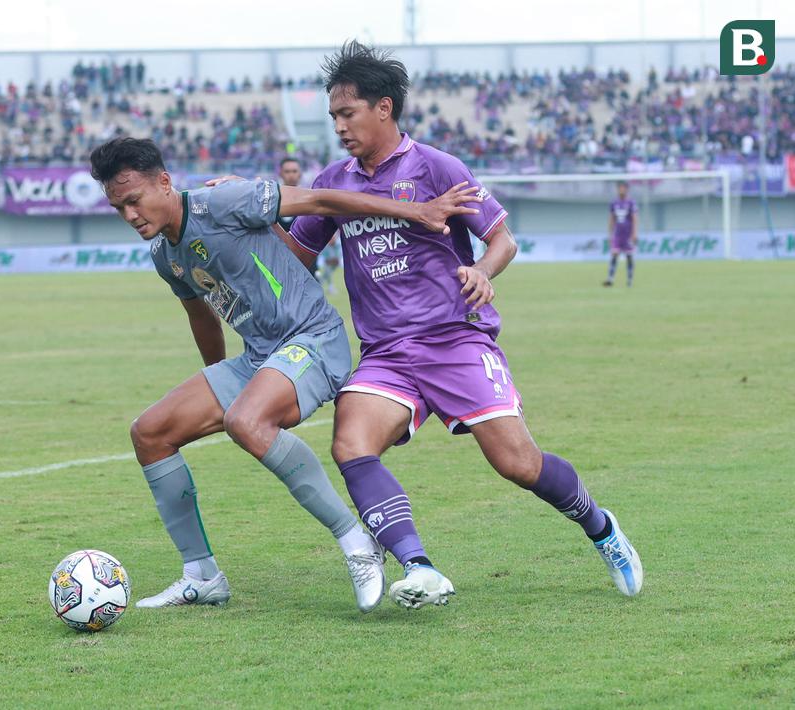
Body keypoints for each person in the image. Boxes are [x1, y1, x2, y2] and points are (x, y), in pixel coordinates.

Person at [285, 41, 642, 607]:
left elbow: (502, 237)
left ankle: (601, 527)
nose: (339, 126)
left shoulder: (437, 167)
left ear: (383, 108)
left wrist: (481, 269)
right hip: (385, 352)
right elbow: (293, 254)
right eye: (333, 116)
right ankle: (421, 569)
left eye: (346, 113)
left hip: (453, 339)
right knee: (352, 444)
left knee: (518, 465)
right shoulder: (336, 181)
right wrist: (237, 217)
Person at [90, 136, 480, 611]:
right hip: (260, 357)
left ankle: (357, 542)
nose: (130, 215)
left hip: (314, 340)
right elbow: (201, 317)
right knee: (149, 433)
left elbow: (320, 200)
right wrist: (218, 381)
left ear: (164, 182)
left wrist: (417, 211)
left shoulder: (224, 201)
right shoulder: (165, 256)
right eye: (118, 208)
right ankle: (202, 574)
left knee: (246, 421)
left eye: (134, 200)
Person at [603, 181, 638, 287]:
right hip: (617, 234)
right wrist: (610, 234)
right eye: (620, 188)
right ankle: (610, 279)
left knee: (629, 256)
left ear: (627, 189)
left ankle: (630, 280)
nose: (621, 190)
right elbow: (611, 219)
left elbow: (635, 219)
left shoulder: (631, 203)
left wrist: (634, 234)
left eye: (623, 188)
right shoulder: (614, 203)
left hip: (627, 234)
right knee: (614, 254)